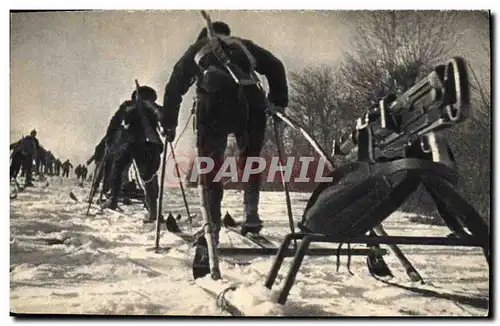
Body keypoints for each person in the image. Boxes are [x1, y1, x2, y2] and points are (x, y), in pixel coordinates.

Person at [161, 21, 288, 245]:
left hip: (213, 104)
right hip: (251, 102)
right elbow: (275, 66)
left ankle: (212, 224)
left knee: (210, 164)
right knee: (250, 160)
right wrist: (278, 102)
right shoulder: (242, 45)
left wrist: (169, 123)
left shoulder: (197, 48)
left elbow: (174, 87)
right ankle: (251, 216)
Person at [101, 85, 164, 223]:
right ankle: (114, 200)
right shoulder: (130, 106)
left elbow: (163, 119)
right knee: (118, 169)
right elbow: (116, 121)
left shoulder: (151, 107)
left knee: (147, 176)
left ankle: (153, 211)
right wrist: (110, 138)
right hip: (132, 143)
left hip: (146, 144)